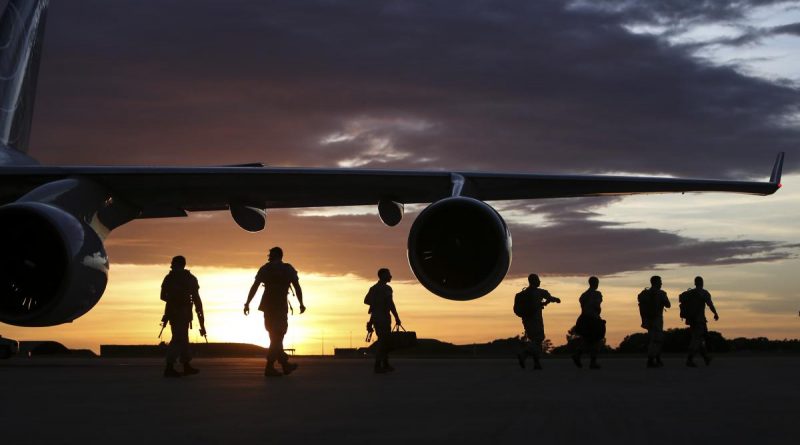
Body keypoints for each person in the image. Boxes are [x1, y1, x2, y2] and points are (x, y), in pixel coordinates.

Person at [244, 247, 305, 377]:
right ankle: (273, 366)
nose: (269, 257)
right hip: (279, 307)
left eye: (270, 255)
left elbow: (254, 286)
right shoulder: (288, 269)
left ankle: (284, 366)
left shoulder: (265, 269)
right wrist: (301, 303)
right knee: (278, 336)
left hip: (268, 306)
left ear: (277, 255)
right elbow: (297, 287)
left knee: (275, 336)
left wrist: (247, 303)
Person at [160, 255, 205, 378]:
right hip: (181, 312)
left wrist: (173, 300)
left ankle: (186, 365)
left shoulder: (169, 278)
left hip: (176, 312)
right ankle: (169, 367)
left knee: (183, 338)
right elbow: (196, 298)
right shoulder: (189, 278)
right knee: (178, 339)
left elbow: (163, 296)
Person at [513, 274, 561, 370]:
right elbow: (550, 298)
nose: (539, 282)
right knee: (538, 339)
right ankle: (524, 354)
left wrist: (543, 303)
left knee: (535, 341)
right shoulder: (539, 292)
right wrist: (556, 300)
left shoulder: (524, 293)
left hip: (526, 319)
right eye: (538, 280)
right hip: (536, 319)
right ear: (535, 281)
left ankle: (536, 363)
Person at [364, 268, 401, 374]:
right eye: (388, 274)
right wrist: (397, 317)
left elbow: (367, 301)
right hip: (384, 318)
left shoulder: (373, 288)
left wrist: (375, 302)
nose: (390, 276)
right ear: (383, 276)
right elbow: (390, 304)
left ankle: (385, 364)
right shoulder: (387, 288)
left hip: (375, 318)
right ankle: (378, 365)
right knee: (383, 342)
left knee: (384, 341)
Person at [679, 276, 719, 367]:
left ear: (695, 283)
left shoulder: (690, 293)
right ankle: (690, 359)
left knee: (700, 338)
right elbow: (710, 304)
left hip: (691, 320)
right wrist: (715, 313)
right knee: (696, 339)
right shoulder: (704, 293)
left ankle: (706, 358)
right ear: (702, 282)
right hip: (699, 320)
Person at [571, 276, 604, 369]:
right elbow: (597, 306)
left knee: (587, 340)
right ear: (596, 284)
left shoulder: (583, 295)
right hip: (593, 319)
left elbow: (583, 306)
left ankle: (577, 354)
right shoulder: (597, 294)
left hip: (583, 319)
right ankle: (592, 362)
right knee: (596, 340)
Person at [638, 276, 671, 368]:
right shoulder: (661, 293)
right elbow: (668, 305)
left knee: (653, 339)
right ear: (656, 282)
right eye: (660, 282)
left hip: (648, 320)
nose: (661, 283)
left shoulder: (645, 293)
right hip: (657, 319)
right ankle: (652, 360)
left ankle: (656, 359)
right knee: (657, 340)